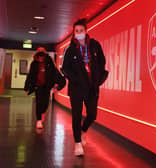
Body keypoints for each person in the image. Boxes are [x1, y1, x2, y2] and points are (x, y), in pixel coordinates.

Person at [61, 18, 108, 156]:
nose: (79, 33)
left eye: (81, 30)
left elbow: (102, 62)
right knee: (76, 115)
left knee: (92, 114)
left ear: (86, 31)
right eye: (77, 31)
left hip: (91, 87)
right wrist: (75, 79)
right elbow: (65, 68)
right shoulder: (70, 50)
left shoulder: (95, 45)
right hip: (76, 88)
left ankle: (83, 131)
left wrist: (97, 78)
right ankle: (77, 144)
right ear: (74, 33)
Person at [24, 47, 66, 129]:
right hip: (38, 86)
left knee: (45, 103)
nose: (41, 56)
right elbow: (30, 76)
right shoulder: (34, 64)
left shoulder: (49, 63)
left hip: (47, 86)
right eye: (39, 54)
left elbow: (55, 73)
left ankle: (42, 112)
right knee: (39, 102)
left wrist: (60, 84)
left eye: (42, 54)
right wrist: (26, 87)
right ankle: (39, 121)